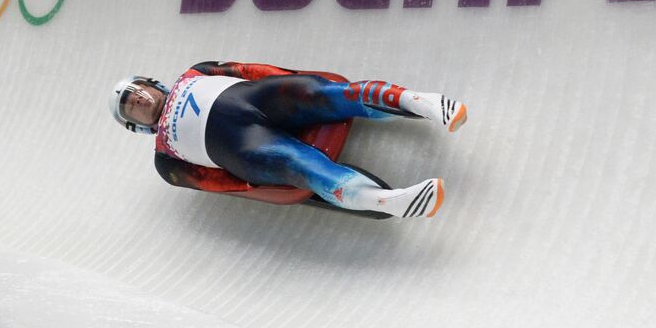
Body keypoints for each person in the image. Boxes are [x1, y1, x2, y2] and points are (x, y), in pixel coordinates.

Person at [110, 61, 466, 219]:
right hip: (245, 147)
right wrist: (253, 185)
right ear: (137, 126)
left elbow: (248, 71)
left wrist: (290, 78)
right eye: (132, 107)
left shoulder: (196, 72)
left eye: (136, 92)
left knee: (324, 93)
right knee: (298, 165)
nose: (139, 100)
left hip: (260, 99)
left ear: (151, 84)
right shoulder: (166, 161)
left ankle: (421, 102)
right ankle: (389, 201)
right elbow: (212, 183)